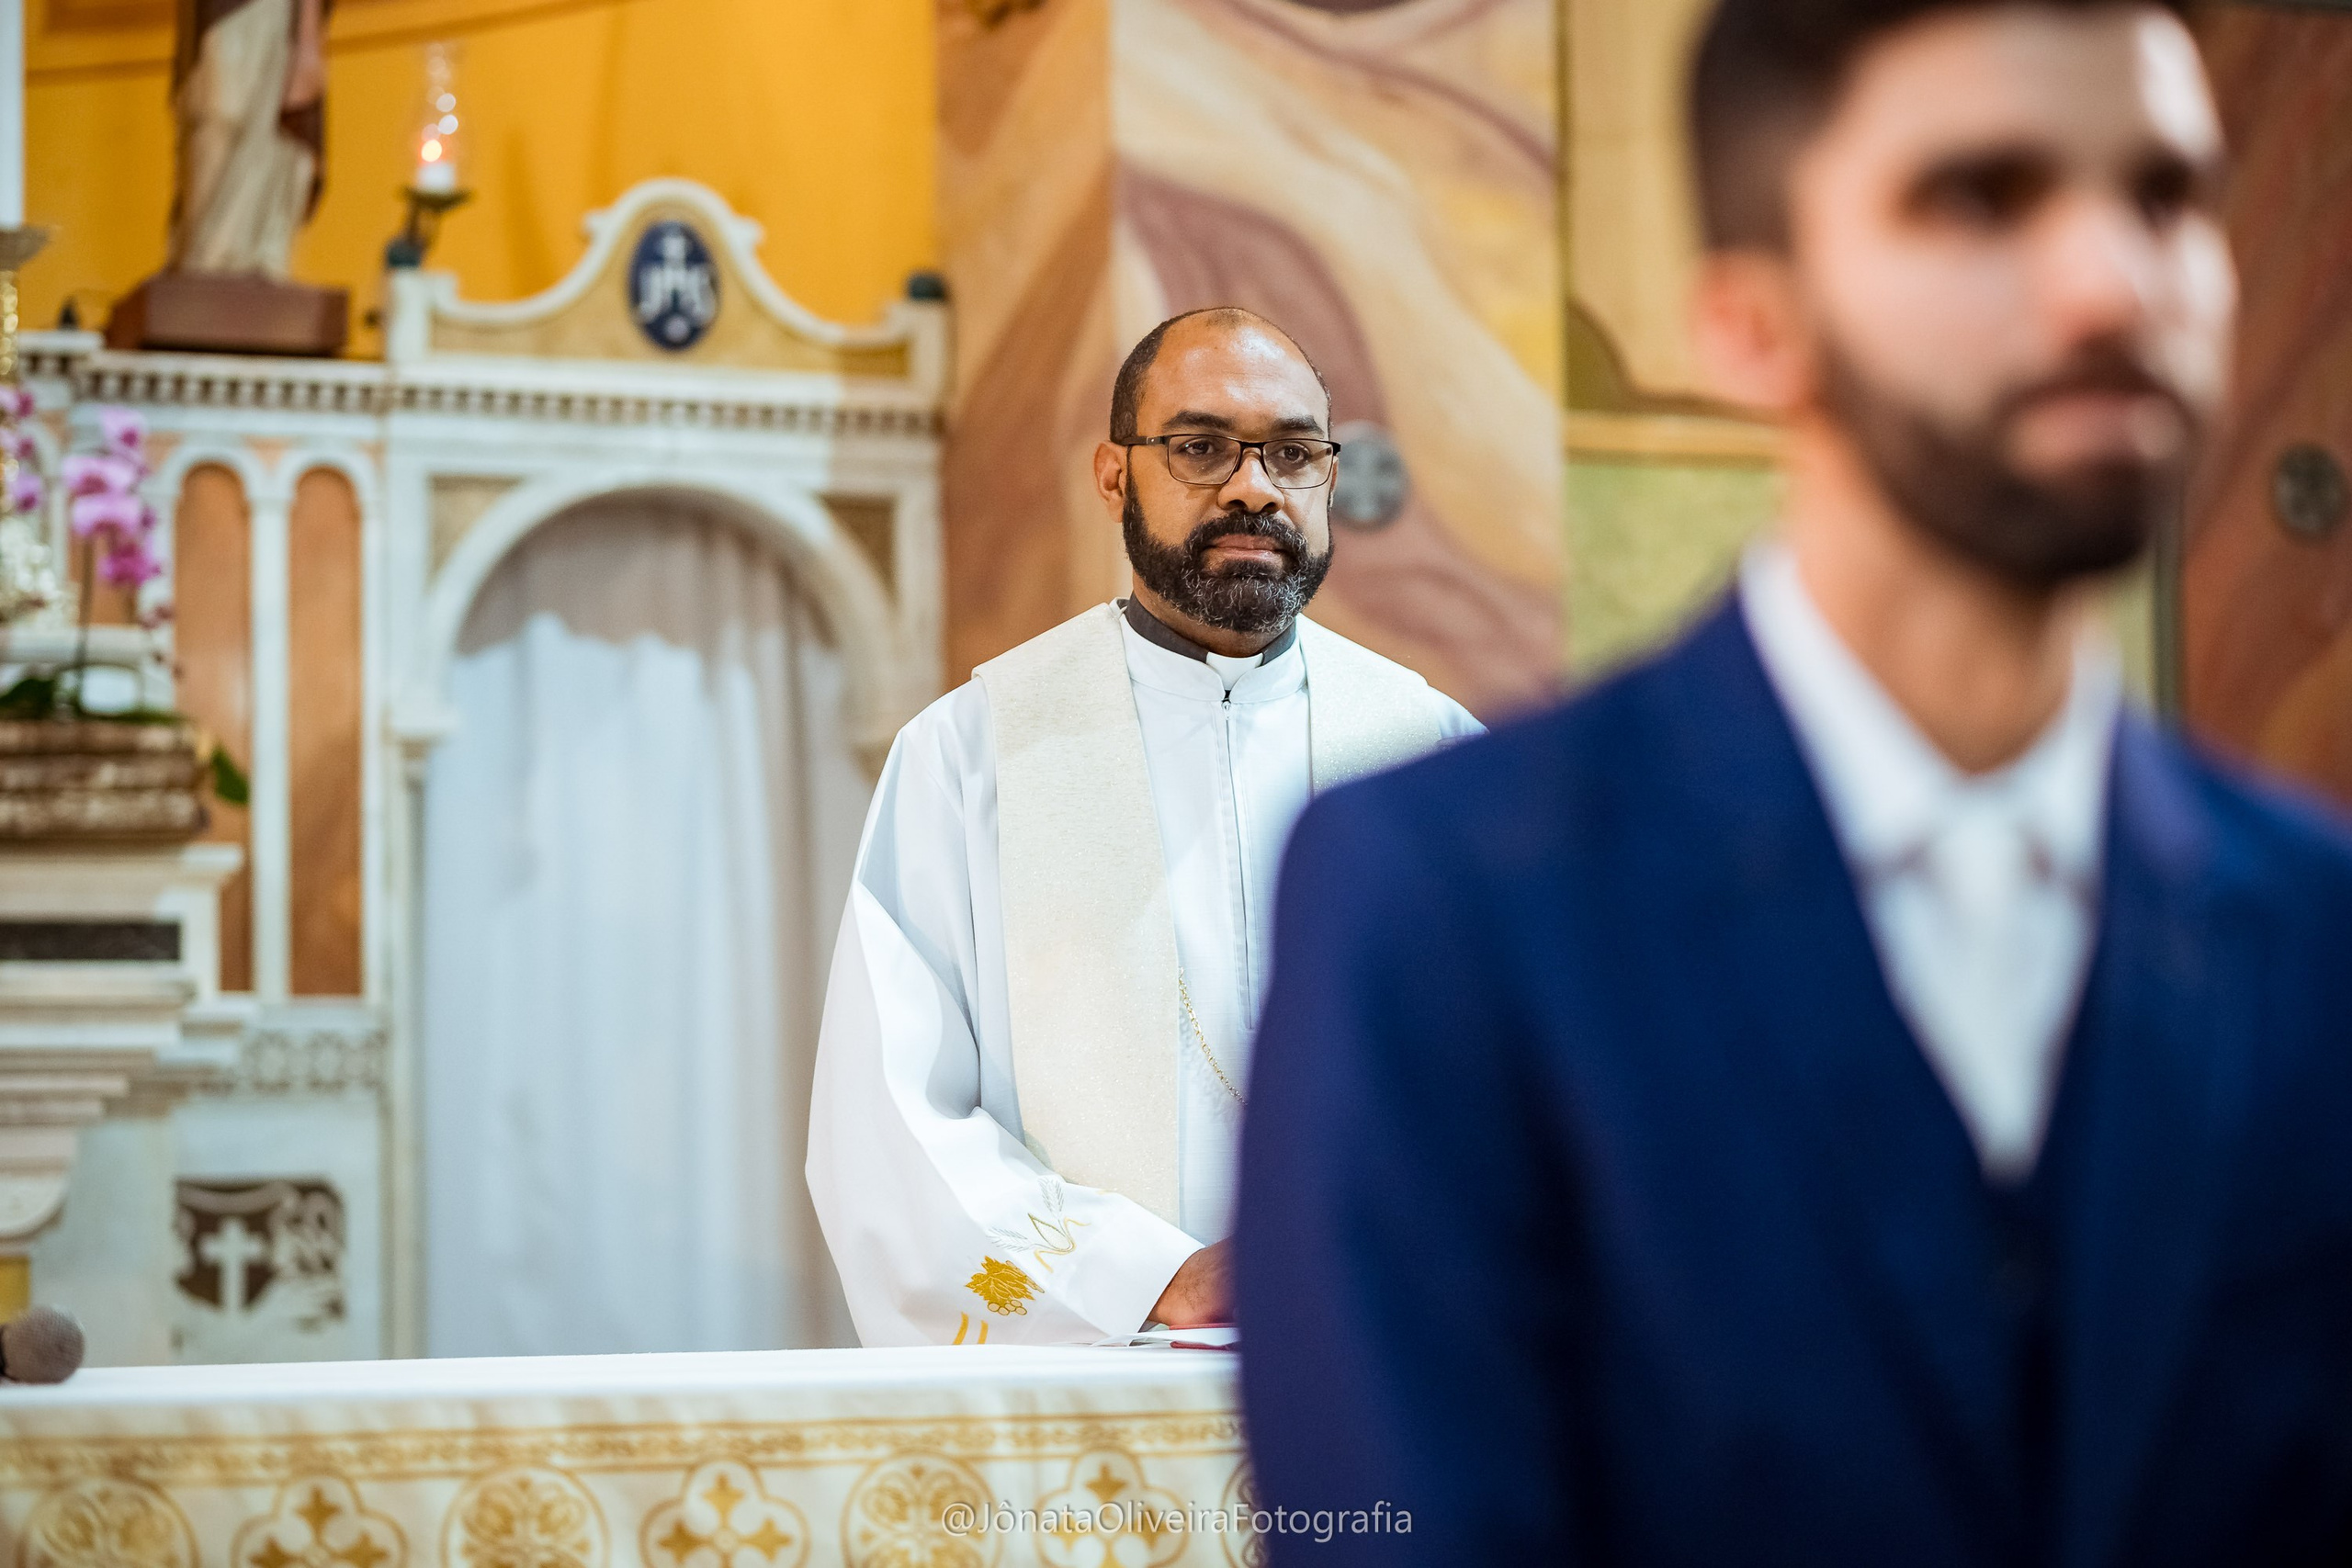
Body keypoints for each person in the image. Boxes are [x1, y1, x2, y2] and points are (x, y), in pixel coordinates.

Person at [1237, 0, 2352, 1561]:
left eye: (2165, 197)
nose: (2114, 282)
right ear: (1754, 323)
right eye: (1981, 197)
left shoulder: (2317, 927)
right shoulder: (1446, 910)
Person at [808, 308, 1479, 1347]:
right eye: (1200, 447)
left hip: (1395, 1360)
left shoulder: (1430, 754)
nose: (1253, 487)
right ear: (1114, 477)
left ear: (1329, 482)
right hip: (1095, 1402)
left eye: (1292, 453)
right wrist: (1148, 1277)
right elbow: (893, 1121)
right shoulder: (973, 755)